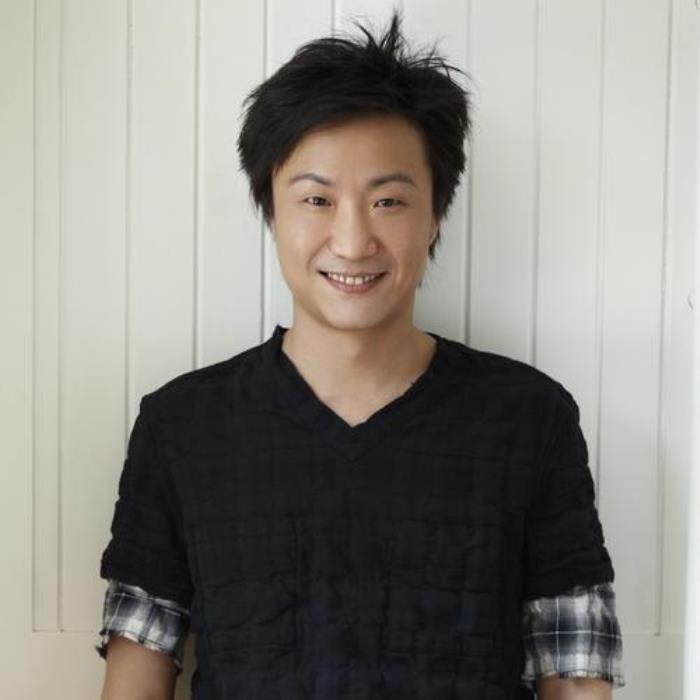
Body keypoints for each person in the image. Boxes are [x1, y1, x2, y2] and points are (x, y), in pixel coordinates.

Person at [95, 8, 625, 699]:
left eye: (388, 202)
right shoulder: (180, 426)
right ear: (271, 210)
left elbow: (575, 672)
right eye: (317, 199)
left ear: (436, 214)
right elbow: (134, 677)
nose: (351, 242)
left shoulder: (532, 418)